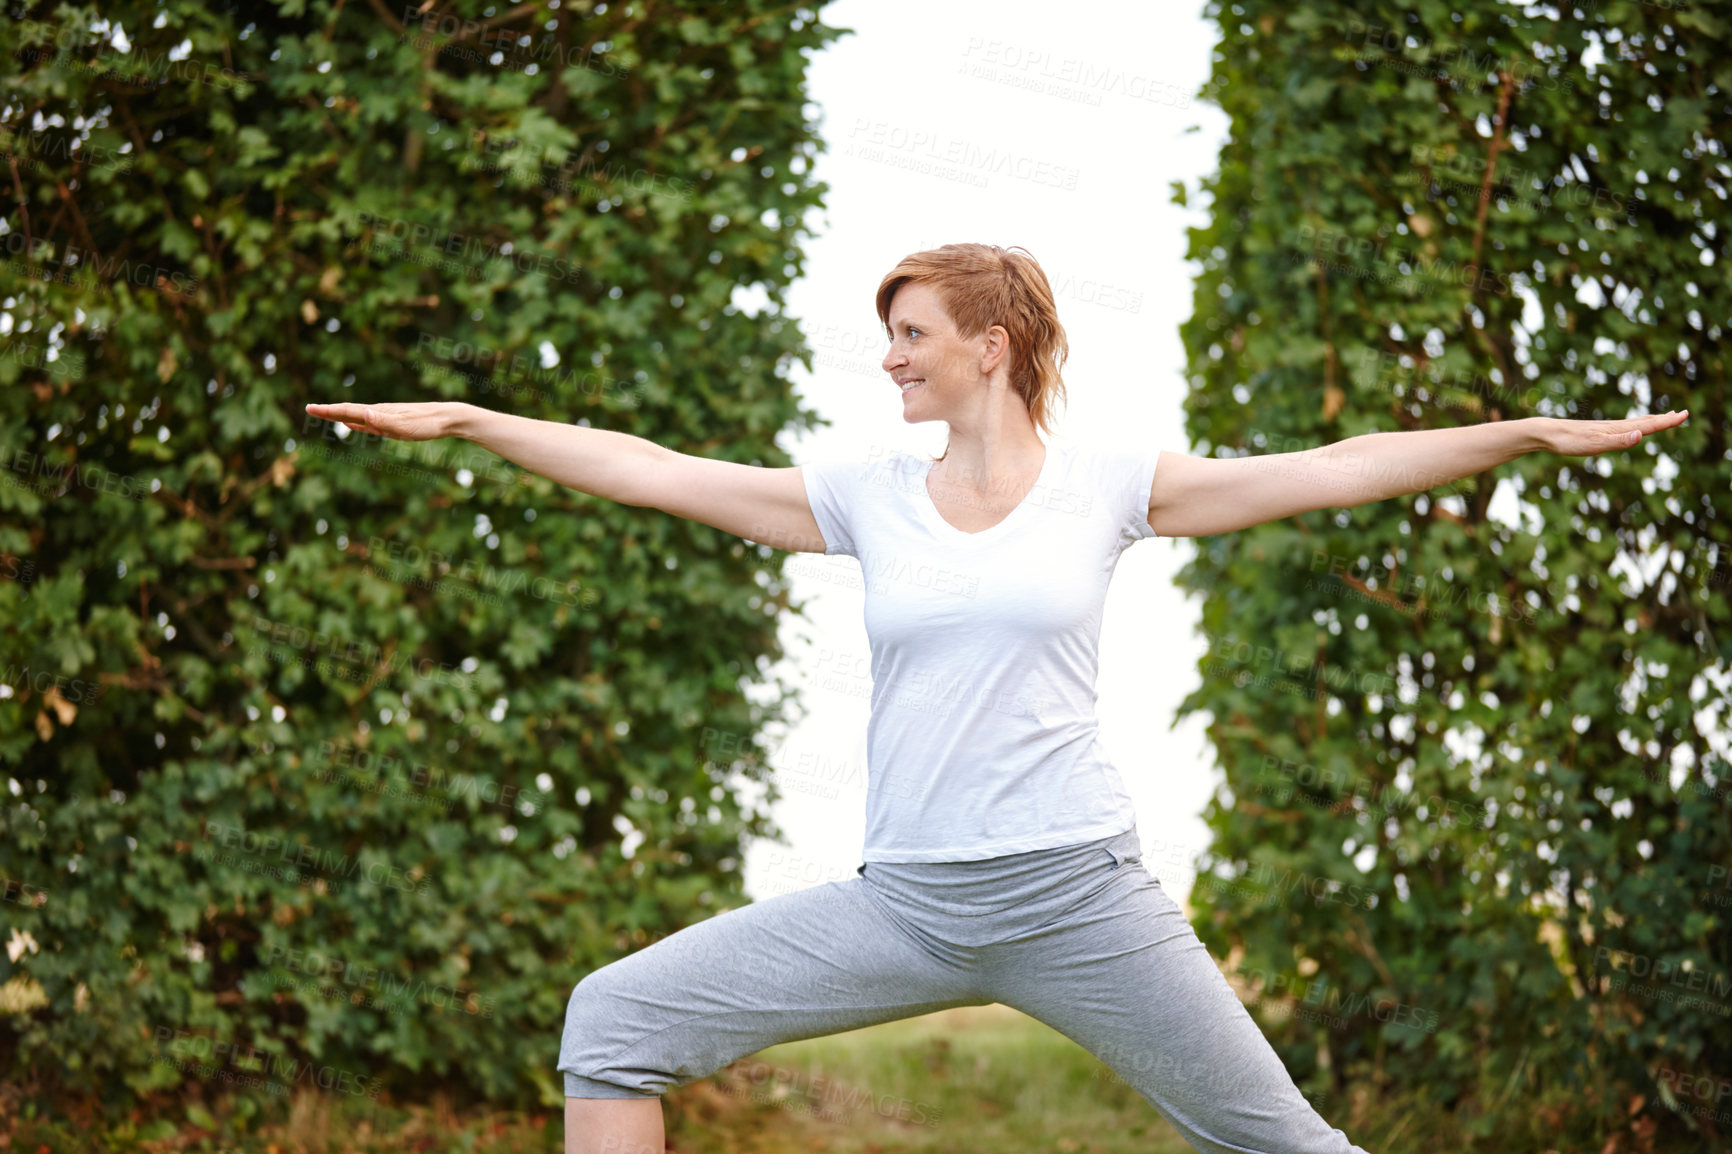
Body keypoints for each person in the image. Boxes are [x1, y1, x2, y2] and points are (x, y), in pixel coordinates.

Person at [306, 243, 1688, 1154]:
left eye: (911, 333)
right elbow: (661, 468)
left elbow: (1331, 463)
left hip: (1079, 894)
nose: (892, 356)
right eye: (889, 336)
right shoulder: (863, 492)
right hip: (904, 898)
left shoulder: (1113, 483)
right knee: (612, 1023)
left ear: (992, 341)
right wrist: (479, 423)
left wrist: (1521, 432)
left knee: (1286, 1145)